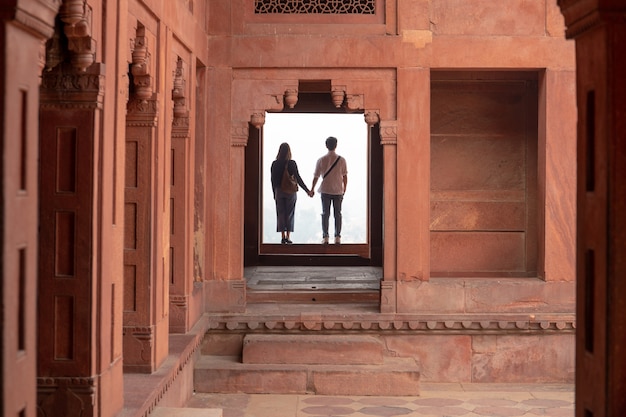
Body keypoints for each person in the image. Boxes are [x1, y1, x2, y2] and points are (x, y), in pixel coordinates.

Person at [271, 142, 313, 244]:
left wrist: (274, 193)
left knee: (280, 213)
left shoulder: (275, 164)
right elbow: (298, 178)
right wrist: (307, 190)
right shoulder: (291, 163)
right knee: (290, 213)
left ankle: (282, 236)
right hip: (290, 191)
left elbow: (272, 180)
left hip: (279, 191)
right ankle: (288, 237)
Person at [310, 136, 348, 244]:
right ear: (336, 145)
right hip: (338, 190)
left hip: (325, 190)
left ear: (326, 146)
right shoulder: (342, 160)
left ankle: (325, 236)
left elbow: (316, 176)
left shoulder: (321, 160)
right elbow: (345, 176)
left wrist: (312, 189)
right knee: (338, 214)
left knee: (325, 214)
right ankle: (337, 237)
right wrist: (344, 188)